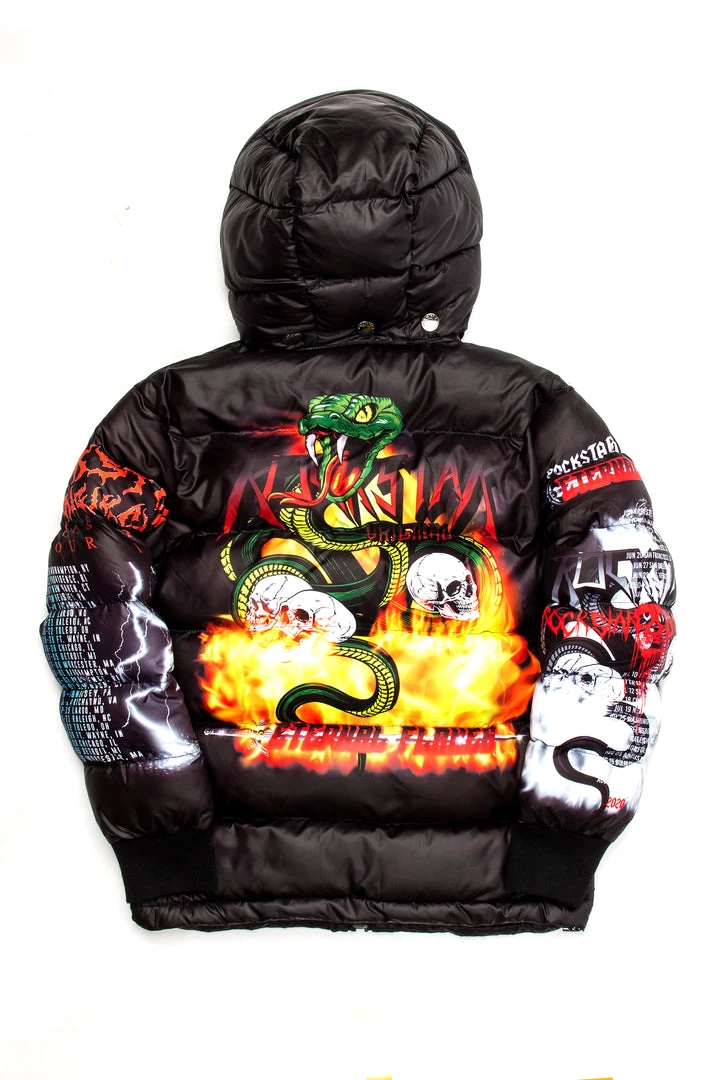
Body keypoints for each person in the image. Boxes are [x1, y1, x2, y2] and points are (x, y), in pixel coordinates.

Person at [41, 89, 675, 933]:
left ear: (252, 243)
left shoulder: (167, 413)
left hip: (219, 866)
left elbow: (95, 621)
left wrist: (166, 831)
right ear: (451, 241)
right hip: (497, 864)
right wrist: (560, 829)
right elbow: (624, 609)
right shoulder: (538, 411)